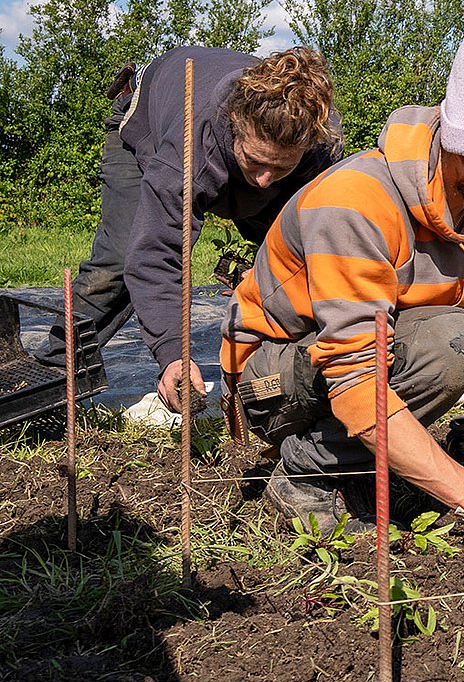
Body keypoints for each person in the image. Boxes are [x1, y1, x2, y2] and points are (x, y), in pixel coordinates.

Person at [222, 25, 464, 553]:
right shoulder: (356, 201)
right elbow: (356, 379)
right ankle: (308, 472)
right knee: (453, 338)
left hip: (395, 347)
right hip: (279, 377)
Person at [36, 46, 343, 413]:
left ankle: (312, 376)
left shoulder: (318, 144)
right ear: (234, 120)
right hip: (146, 123)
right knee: (119, 261)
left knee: (301, 255)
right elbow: (155, 255)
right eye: (256, 161)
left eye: (279, 168)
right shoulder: (188, 148)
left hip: (238, 149)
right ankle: (51, 376)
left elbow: (324, 247)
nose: (263, 182)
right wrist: (172, 355)